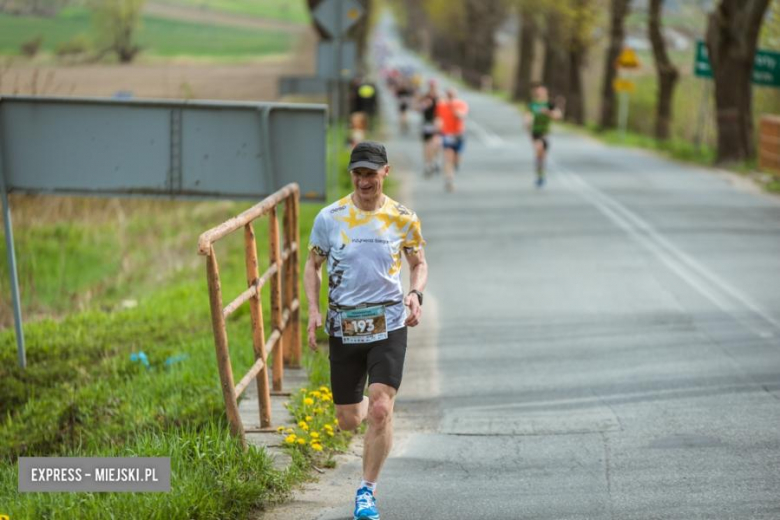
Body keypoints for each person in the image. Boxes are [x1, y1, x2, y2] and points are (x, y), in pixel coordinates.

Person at [304, 141, 428, 520]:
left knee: (378, 409)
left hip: (389, 322)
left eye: (371, 173)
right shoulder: (330, 217)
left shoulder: (403, 218)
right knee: (349, 420)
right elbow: (313, 266)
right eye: (358, 173)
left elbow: (418, 262)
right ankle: (370, 411)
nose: (364, 181)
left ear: (385, 173)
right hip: (344, 325)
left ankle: (366, 492)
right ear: (351, 175)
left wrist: (415, 294)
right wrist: (312, 311)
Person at [525, 84, 563, 188]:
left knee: (542, 154)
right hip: (535, 132)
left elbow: (558, 116)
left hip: (545, 133)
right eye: (539, 91)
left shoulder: (549, 104)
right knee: (539, 150)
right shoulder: (533, 105)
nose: (541, 93)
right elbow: (527, 117)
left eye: (543, 91)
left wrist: (548, 113)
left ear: (546, 92)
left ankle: (541, 175)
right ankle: (539, 175)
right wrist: (528, 122)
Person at [436, 87, 469, 192]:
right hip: (447, 134)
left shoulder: (461, 104)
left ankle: (455, 165)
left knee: (457, 158)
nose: (450, 97)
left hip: (459, 134)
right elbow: (439, 119)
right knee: (448, 157)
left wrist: (454, 109)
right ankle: (449, 179)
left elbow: (462, 116)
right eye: (448, 95)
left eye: (452, 95)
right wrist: (437, 133)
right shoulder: (441, 105)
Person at [418, 79, 441, 177]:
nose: (433, 88)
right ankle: (428, 164)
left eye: (434, 86)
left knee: (436, 144)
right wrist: (424, 105)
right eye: (431, 86)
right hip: (427, 123)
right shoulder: (425, 97)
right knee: (428, 144)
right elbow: (418, 108)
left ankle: (435, 160)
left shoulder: (440, 97)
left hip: (438, 123)